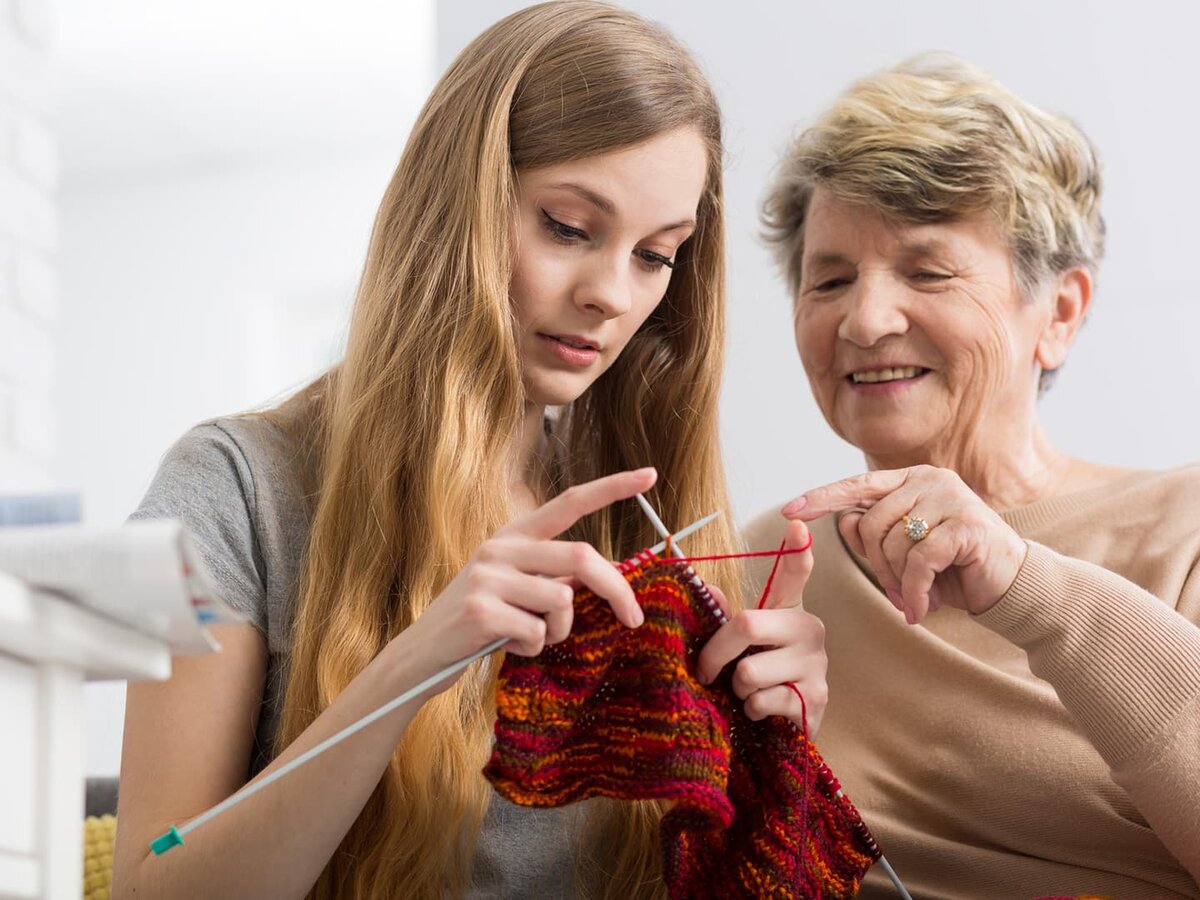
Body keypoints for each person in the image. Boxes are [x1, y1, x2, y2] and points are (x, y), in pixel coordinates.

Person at [111, 3, 825, 899]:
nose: (611, 293)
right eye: (567, 227)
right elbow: (153, 890)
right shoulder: (233, 489)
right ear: (457, 205)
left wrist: (772, 757)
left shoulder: (641, 520)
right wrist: (418, 660)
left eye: (656, 254)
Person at [747, 52, 1200, 898]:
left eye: (928, 272)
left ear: (1058, 313)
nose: (866, 319)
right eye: (830, 279)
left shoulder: (1186, 527)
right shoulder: (767, 562)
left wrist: (1026, 587)